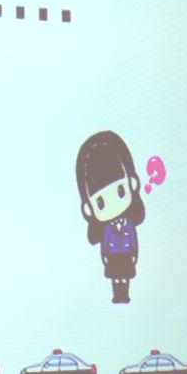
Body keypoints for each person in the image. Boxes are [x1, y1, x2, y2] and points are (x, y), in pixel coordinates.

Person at [75, 129, 147, 305]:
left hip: (125, 256)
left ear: (132, 183)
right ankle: (118, 294)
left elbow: (134, 240)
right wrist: (105, 259)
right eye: (100, 202)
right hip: (114, 258)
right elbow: (105, 244)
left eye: (120, 191)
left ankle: (125, 294)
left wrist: (134, 256)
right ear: (88, 209)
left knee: (125, 277)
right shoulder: (107, 229)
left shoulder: (128, 224)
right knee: (116, 277)